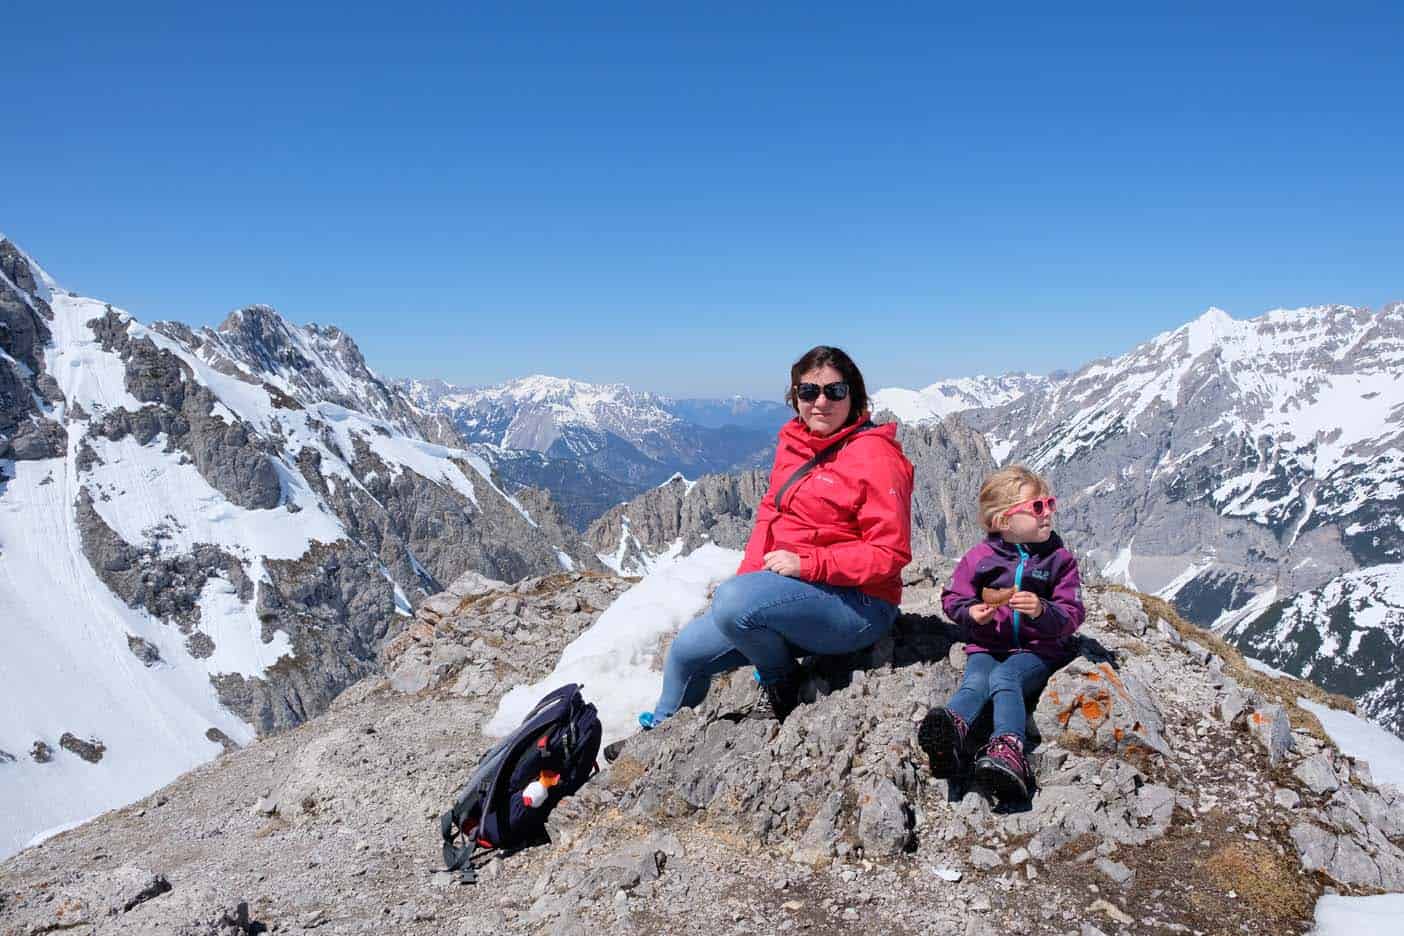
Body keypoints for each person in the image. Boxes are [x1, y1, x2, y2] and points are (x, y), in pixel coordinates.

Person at [613, 346, 913, 755]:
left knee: (735, 603)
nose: (820, 402)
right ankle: (658, 737)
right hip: (797, 592)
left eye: (834, 391)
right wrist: (748, 585)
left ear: (854, 395)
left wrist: (808, 564)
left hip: (859, 606)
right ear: (795, 397)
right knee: (685, 653)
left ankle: (779, 680)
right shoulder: (794, 442)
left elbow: (889, 554)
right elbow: (770, 514)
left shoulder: (876, 456)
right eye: (808, 392)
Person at [918, 465, 1085, 803]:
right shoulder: (979, 558)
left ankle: (1009, 748)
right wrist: (970, 614)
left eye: (1049, 503)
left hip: (1039, 650)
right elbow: (953, 598)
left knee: (1005, 679)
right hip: (987, 644)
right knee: (975, 683)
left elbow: (1073, 614)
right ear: (1003, 522)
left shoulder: (1059, 560)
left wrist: (1042, 611)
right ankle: (950, 735)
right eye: (1037, 507)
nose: (1048, 513)